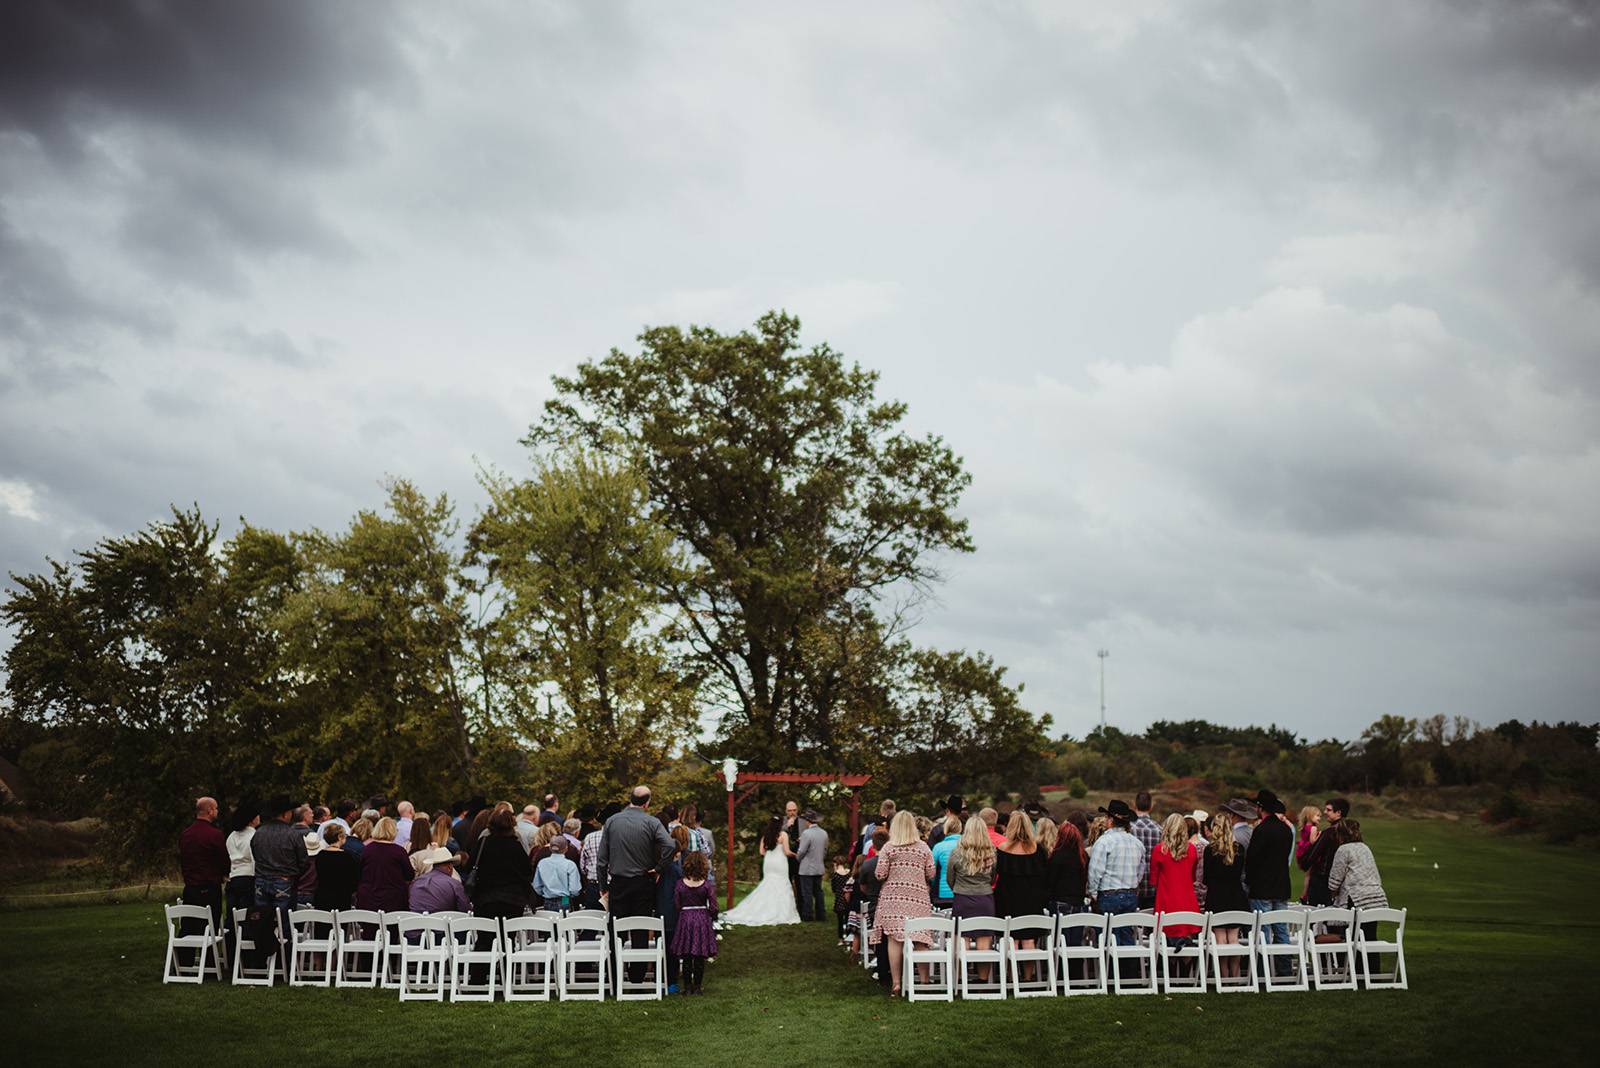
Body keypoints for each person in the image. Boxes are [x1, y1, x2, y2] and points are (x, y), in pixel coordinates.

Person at [601, 787, 680, 980]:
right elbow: (670, 845)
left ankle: (615, 975)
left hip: (618, 882)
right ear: (647, 802)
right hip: (643, 882)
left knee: (616, 928)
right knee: (640, 929)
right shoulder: (651, 822)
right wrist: (659, 868)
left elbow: (602, 859)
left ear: (630, 799)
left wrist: (603, 885)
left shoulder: (611, 821)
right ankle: (637, 975)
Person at [871, 810, 935, 997]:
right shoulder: (923, 848)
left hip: (892, 900)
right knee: (920, 939)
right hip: (918, 899)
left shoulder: (889, 848)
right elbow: (931, 874)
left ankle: (897, 984)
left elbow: (880, 874)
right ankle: (923, 981)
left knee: (894, 940)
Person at [1087, 799, 1143, 976]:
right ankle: (1128, 976)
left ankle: (1113, 975)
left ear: (1110, 820)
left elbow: (1095, 871)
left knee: (1109, 935)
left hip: (1109, 893)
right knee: (1127, 934)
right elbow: (1141, 870)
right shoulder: (1136, 843)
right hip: (1130, 893)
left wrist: (1094, 893)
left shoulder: (1104, 842)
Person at [1325, 818, 1389, 974]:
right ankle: (1373, 973)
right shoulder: (1365, 847)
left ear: (1340, 835)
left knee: (1352, 937)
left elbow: (1335, 880)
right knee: (1369, 936)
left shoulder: (1343, 850)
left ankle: (1356, 972)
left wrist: (1332, 893)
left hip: (1356, 898)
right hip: (1375, 897)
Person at [1245, 789, 1295, 974]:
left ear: (1260, 808)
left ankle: (1263, 971)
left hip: (1262, 886)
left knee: (1263, 930)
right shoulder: (1286, 830)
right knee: (1281, 929)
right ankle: (1284, 969)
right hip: (1281, 885)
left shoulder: (1261, 830)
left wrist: (1249, 880)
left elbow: (1252, 859)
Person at [721, 815, 801, 926]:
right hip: (779, 862)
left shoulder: (765, 836)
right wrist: (796, 855)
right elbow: (787, 852)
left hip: (769, 862)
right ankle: (778, 911)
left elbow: (762, 852)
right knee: (781, 884)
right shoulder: (783, 835)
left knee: (768, 884)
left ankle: (764, 908)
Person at [946, 816, 998, 987]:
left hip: (962, 898)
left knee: (962, 939)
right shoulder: (991, 853)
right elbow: (992, 878)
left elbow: (950, 878)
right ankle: (983, 981)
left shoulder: (956, 852)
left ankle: (960, 979)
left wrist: (960, 887)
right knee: (984, 940)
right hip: (985, 898)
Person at [177, 795, 228, 963]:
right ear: (209, 811)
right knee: (210, 925)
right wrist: (224, 873)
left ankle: (185, 961)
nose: (217, 811)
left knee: (189, 924)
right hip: (209, 886)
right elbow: (223, 860)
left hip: (191, 887)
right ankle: (209, 964)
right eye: (216, 808)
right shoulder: (214, 834)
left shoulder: (186, 834)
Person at [1202, 812, 1249, 978]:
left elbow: (1206, 878)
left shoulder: (1210, 850)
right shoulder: (1239, 849)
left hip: (1216, 897)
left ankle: (1224, 976)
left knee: (1221, 939)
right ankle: (1235, 977)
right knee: (1234, 939)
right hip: (1236, 896)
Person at [1151, 813, 1202, 950]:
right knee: (1188, 945)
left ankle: (1170, 970)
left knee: (1166, 945)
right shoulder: (1191, 850)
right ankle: (1186, 970)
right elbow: (1193, 877)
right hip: (1187, 901)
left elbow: (1153, 880)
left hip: (1166, 901)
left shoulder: (1159, 850)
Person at [671, 850, 718, 996]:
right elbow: (714, 905)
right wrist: (709, 915)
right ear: (703, 866)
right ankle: (697, 987)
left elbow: (677, 904)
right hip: (702, 919)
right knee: (699, 955)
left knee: (686, 956)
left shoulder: (680, 884)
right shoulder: (707, 885)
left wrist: (684, 912)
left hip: (685, 918)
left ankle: (687, 987)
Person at [994, 810, 1048, 919]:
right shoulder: (1039, 850)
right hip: (1032, 903)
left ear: (1010, 826)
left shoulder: (1001, 849)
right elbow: (1045, 877)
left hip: (1006, 903)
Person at [655, 826, 689, 992]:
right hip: (672, 914)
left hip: (659, 911)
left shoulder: (657, 870)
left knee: (660, 947)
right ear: (676, 853)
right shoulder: (677, 871)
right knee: (672, 949)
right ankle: (671, 982)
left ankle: (660, 979)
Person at [355, 816, 412, 913]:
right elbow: (409, 875)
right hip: (394, 902)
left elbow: (358, 874)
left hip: (368, 900)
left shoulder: (366, 850)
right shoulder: (399, 851)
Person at [225, 802, 260, 919]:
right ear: (252, 820)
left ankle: (232, 936)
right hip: (249, 878)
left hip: (234, 876)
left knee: (232, 913)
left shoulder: (232, 836)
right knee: (247, 914)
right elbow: (255, 859)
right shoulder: (254, 835)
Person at [409, 846, 470, 914]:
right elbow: (465, 911)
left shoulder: (416, 882)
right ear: (450, 867)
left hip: (415, 922)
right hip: (441, 923)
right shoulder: (454, 884)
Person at [314, 824, 360, 910]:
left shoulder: (320, 855)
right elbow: (354, 879)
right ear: (339, 837)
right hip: (342, 897)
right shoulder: (347, 857)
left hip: (322, 897)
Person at [1130, 791, 1161, 910]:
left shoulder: (1129, 828)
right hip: (1153, 887)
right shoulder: (1159, 829)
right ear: (1151, 806)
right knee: (1150, 925)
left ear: (1134, 805)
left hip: (1133, 886)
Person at [535, 835, 583, 912]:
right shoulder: (570, 864)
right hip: (565, 899)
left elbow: (537, 887)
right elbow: (574, 889)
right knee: (564, 922)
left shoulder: (542, 863)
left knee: (550, 922)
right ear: (566, 848)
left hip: (548, 899)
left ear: (550, 848)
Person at [796, 810, 829, 921]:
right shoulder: (824, 833)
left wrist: (797, 858)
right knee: (819, 892)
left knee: (807, 893)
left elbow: (801, 851)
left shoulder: (806, 833)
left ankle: (808, 916)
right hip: (819, 866)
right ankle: (821, 915)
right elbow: (825, 850)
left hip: (806, 868)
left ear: (807, 821)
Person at [929, 814, 962, 908]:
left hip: (942, 894)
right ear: (960, 828)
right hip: (963, 893)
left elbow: (932, 874)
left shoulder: (938, 847)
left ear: (945, 829)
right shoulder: (967, 845)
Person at [782, 800, 805, 914]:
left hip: (799, 857)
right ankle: (787, 908)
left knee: (800, 883)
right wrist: (787, 826)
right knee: (786, 883)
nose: (792, 813)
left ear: (797, 810)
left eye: (794, 810)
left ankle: (800, 909)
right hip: (785, 857)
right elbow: (777, 834)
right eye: (789, 811)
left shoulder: (803, 821)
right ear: (786, 811)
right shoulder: (783, 821)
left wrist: (803, 839)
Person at [830, 854, 854, 940]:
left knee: (840, 921)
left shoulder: (835, 875)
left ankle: (841, 939)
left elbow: (833, 889)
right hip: (848, 900)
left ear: (836, 863)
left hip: (839, 900)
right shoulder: (849, 873)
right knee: (848, 920)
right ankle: (848, 937)